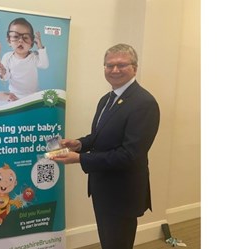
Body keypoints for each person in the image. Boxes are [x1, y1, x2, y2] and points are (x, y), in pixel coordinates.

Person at [51, 43, 160, 249]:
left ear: (134, 68)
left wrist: (80, 158)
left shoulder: (144, 103)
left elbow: (130, 154)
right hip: (103, 187)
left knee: (118, 244)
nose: (115, 70)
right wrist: (80, 144)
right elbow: (100, 136)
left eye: (121, 65)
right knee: (109, 241)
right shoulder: (107, 99)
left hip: (122, 192)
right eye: (109, 65)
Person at [0, 17, 49, 101]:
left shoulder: (34, 56)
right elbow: (5, 78)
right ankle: (10, 99)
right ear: (9, 41)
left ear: (32, 43)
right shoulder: (7, 57)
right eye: (16, 37)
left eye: (26, 37)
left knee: (45, 95)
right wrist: (2, 72)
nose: (20, 41)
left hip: (33, 94)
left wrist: (40, 47)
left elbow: (44, 65)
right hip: (15, 94)